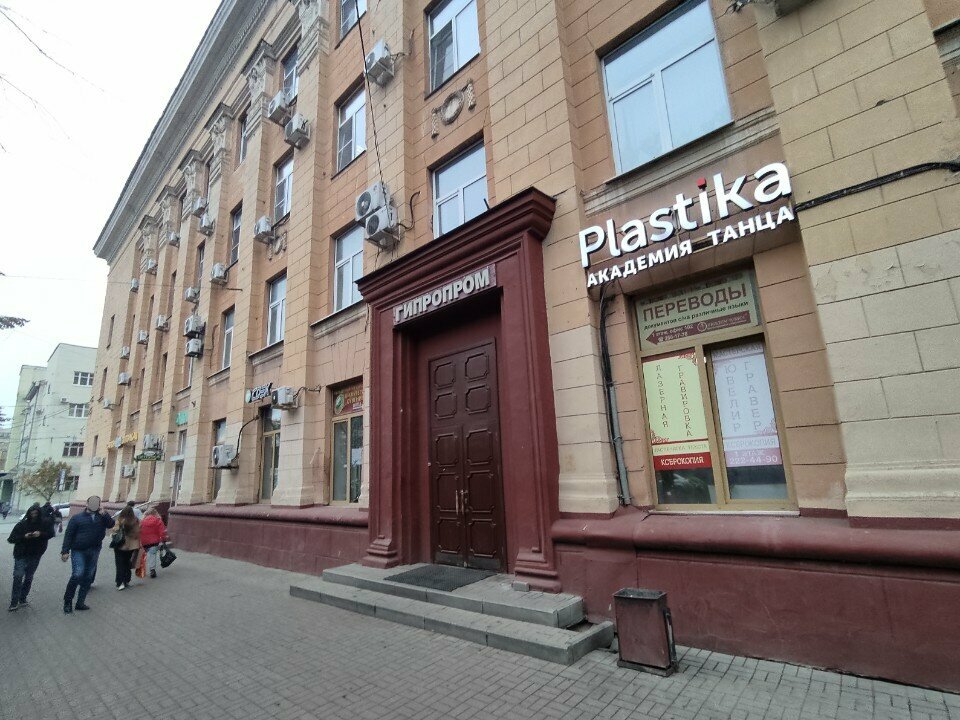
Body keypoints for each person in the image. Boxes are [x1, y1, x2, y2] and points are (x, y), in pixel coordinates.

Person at [60, 495, 114, 614]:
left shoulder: (102, 517)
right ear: (87, 504)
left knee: (88, 577)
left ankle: (80, 602)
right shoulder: (77, 518)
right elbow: (69, 535)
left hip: (94, 550)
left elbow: (111, 524)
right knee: (77, 574)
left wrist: (104, 513)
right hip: (78, 550)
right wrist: (65, 551)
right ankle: (68, 601)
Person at [7, 503, 55, 611]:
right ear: (29, 514)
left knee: (29, 577)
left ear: (39, 514)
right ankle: (14, 601)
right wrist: (24, 536)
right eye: (32, 514)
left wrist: (40, 534)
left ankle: (23, 598)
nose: (33, 516)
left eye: (36, 514)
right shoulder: (21, 525)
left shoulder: (44, 524)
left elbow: (51, 534)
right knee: (18, 576)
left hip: (35, 554)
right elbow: (11, 539)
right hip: (21, 554)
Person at [111, 505, 141, 590]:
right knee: (127, 563)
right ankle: (126, 580)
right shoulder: (135, 520)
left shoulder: (120, 520)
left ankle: (120, 582)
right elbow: (137, 533)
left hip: (119, 545)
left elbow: (114, 531)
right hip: (130, 546)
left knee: (119, 564)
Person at [139, 508, 169, 579]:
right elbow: (162, 532)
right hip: (154, 541)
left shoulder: (142, 521)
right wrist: (164, 539)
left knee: (143, 555)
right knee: (152, 554)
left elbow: (138, 531)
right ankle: (152, 570)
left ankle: (141, 570)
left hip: (143, 541)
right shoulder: (158, 520)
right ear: (155, 513)